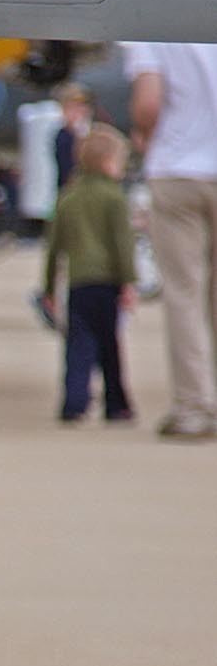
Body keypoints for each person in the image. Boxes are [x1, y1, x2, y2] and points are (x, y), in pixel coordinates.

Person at [123, 41, 217, 441]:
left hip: (178, 167)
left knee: (183, 292)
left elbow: (149, 101)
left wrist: (145, 136)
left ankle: (195, 407)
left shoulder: (154, 23)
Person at [41, 125, 137, 425]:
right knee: (110, 347)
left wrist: (48, 288)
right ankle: (116, 404)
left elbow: (53, 248)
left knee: (78, 347)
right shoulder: (114, 198)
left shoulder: (68, 198)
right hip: (107, 283)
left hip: (78, 284)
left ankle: (74, 403)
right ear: (108, 162)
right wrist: (129, 282)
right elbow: (122, 242)